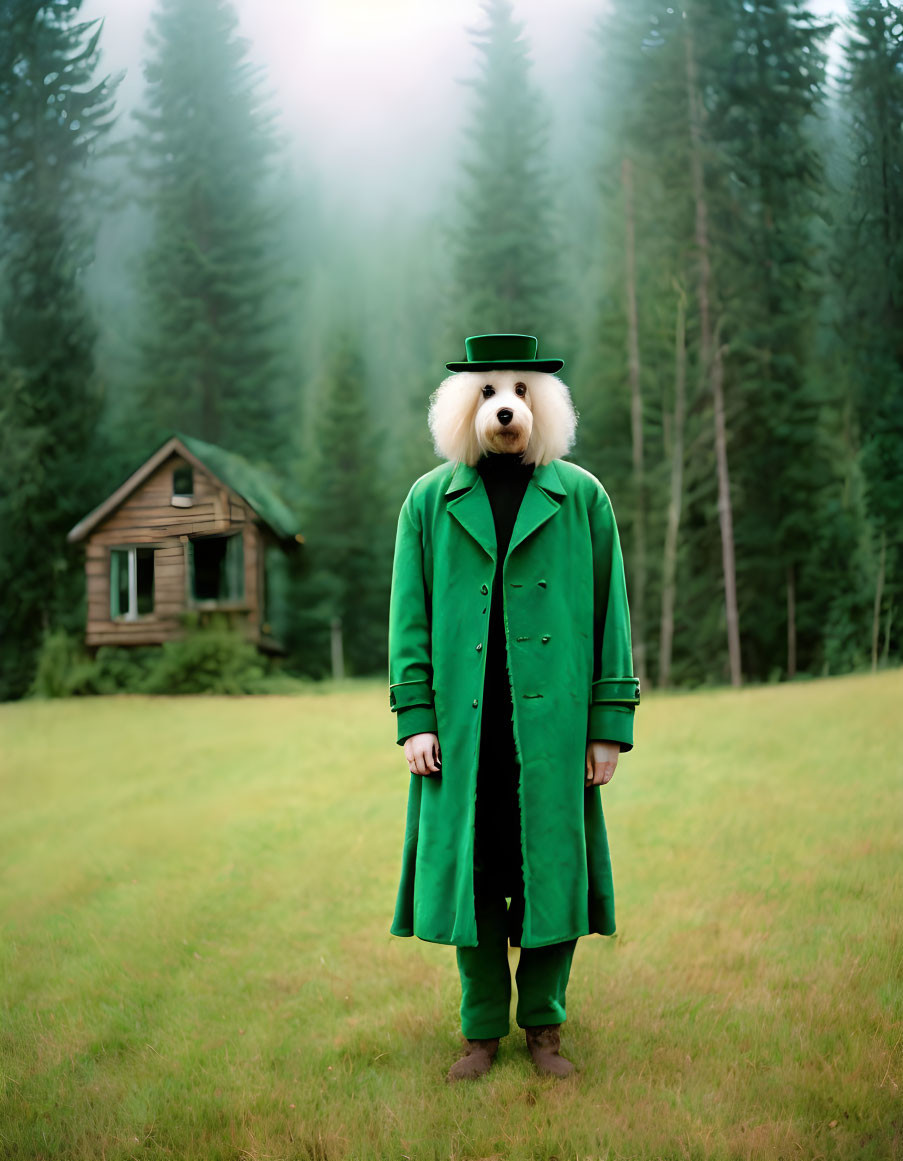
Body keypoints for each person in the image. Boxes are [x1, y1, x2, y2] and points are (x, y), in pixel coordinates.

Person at [387, 334, 639, 1082]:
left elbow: (610, 621)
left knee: (548, 875)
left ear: (544, 405)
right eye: (492, 392)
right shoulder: (428, 502)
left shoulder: (582, 497)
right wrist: (415, 717)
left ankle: (545, 1028)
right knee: (474, 876)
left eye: (522, 391)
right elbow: (408, 617)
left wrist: (607, 730)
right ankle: (479, 1031)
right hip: (464, 734)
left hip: (554, 732)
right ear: (467, 405)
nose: (506, 404)